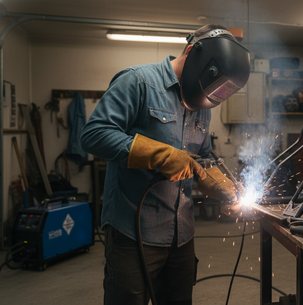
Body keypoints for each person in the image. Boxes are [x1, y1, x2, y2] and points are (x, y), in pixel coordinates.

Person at [80, 24, 250, 305]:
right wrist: (161, 154)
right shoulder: (137, 82)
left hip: (181, 234)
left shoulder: (202, 105)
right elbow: (94, 134)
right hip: (133, 232)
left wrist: (224, 187)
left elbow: (203, 158)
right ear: (192, 53)